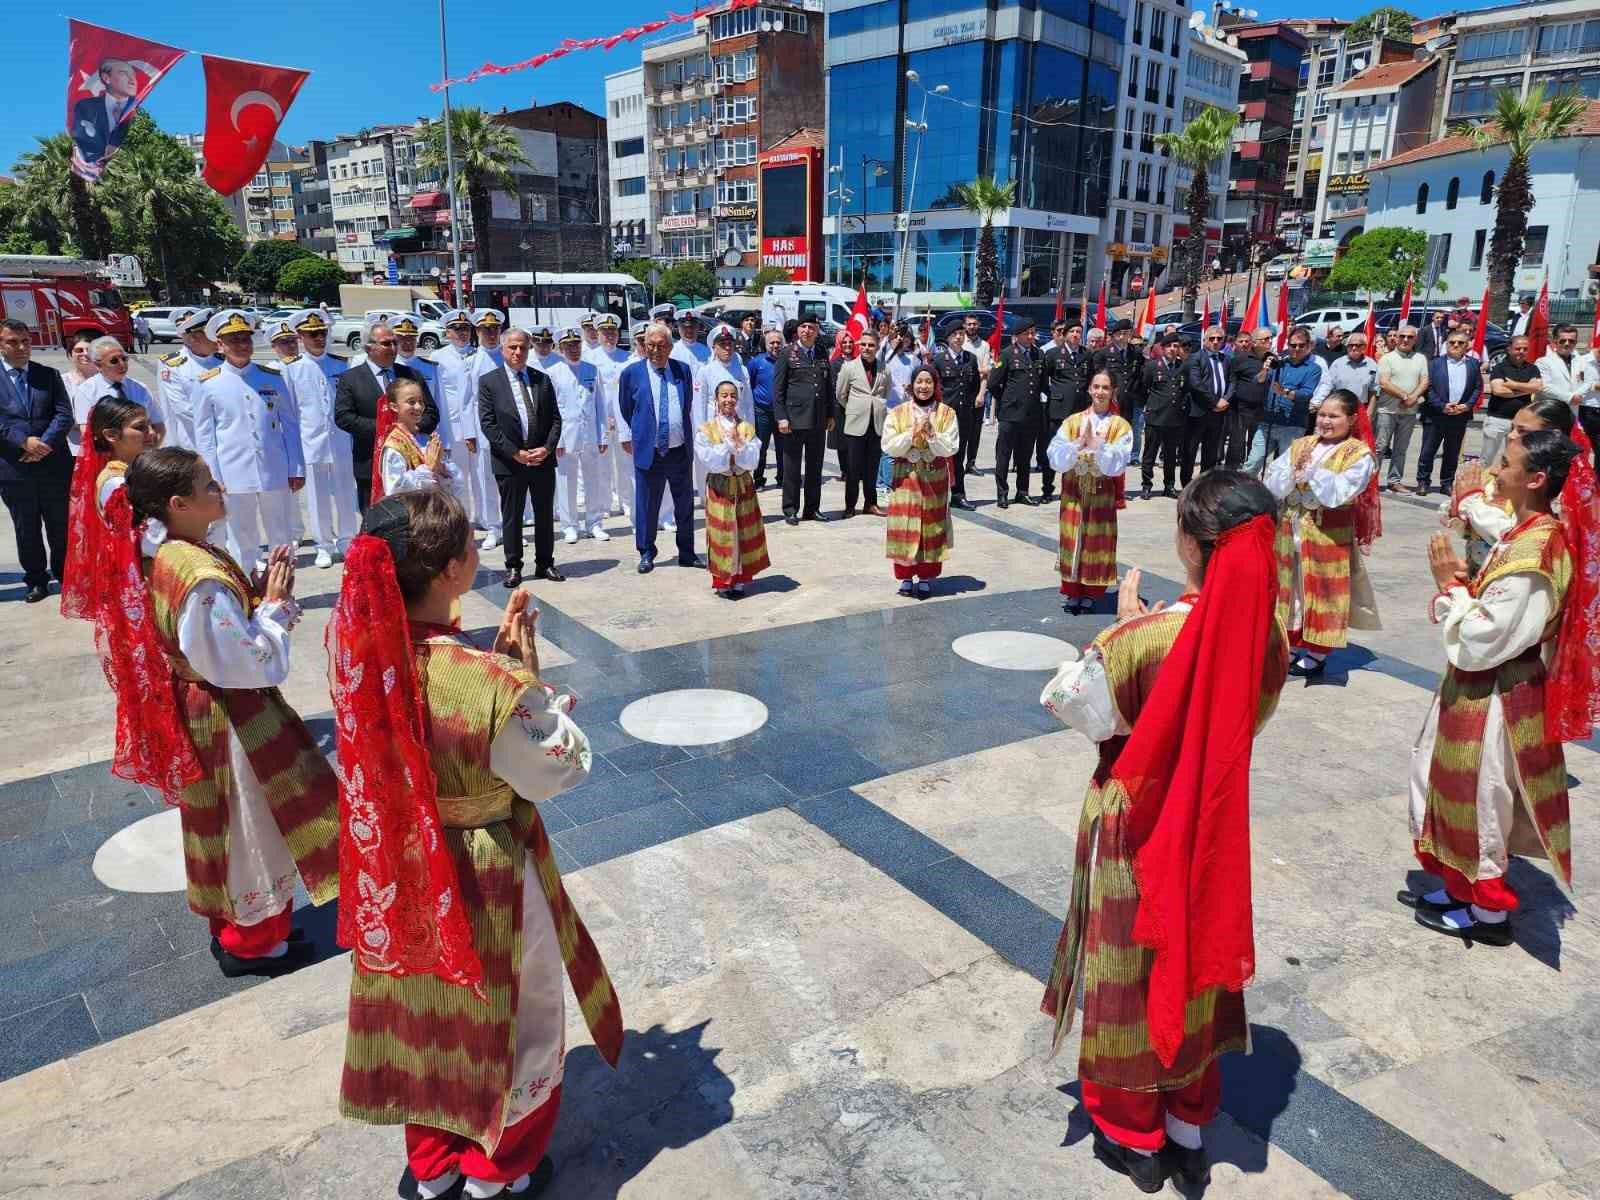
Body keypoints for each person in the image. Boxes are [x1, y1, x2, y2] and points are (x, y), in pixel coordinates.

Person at [328, 489, 622, 1200]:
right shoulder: (483, 682)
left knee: (425, 1009)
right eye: (472, 545)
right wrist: (530, 688)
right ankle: (499, 1172)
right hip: (485, 870)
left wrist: (508, 682)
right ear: (452, 570)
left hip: (402, 869)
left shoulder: (357, 656)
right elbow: (557, 767)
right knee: (515, 1011)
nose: (479, 554)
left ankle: (432, 1167)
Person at [1038, 470, 1288, 1195]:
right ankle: (1186, 1124)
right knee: (1195, 960)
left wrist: (1117, 628)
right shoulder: (1265, 637)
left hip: (1134, 820)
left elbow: (1073, 706)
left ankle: (1132, 1133)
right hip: (1208, 819)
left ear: (1193, 543)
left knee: (1127, 971)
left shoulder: (1145, 636)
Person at [118, 446, 339, 975]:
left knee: (225, 821)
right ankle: (255, 941)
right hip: (230, 716)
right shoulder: (200, 575)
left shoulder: (175, 549)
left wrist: (254, 598)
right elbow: (244, 662)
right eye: (208, 485)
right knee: (247, 825)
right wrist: (274, 610)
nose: (219, 490)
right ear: (178, 502)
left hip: (209, 707)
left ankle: (240, 929)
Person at [1405, 428, 1595, 945]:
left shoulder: (1536, 554)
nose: (1494, 471)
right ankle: (1459, 887)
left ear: (1535, 479)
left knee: (1480, 797)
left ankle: (1487, 915)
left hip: (1497, 694)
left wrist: (1450, 588)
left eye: (1505, 463)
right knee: (1442, 781)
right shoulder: (1527, 529)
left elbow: (1485, 638)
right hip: (1476, 687)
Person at [1264, 389, 1381, 676]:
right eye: (1322, 415)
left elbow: (1342, 492)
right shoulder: (1302, 443)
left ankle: (1317, 651)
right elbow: (1273, 478)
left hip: (1327, 534)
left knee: (1322, 590)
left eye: (1334, 416)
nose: (1325, 421)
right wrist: (1291, 474)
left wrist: (1314, 473)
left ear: (1352, 418)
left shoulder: (1358, 453)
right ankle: (1288, 642)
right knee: (1290, 588)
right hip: (1290, 528)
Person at [191, 310, 305, 571]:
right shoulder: (208, 383)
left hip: (273, 469)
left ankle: (283, 591)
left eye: (246, 338)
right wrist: (213, 475)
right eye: (234, 340)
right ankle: (246, 594)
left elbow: (290, 425)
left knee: (281, 535)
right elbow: (205, 436)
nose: (242, 345)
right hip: (232, 473)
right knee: (242, 538)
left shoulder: (271, 377)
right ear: (220, 344)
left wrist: (295, 467)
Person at [1448, 397, 1575, 580]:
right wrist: (1459, 512)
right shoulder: (1504, 469)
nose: (1511, 435)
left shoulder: (1560, 485)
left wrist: (1470, 501)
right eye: (1512, 428)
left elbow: (1519, 535)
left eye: (1522, 431)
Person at [478, 328, 563, 587]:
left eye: (522, 348)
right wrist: (515, 453)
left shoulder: (542, 379)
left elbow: (555, 420)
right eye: (512, 347)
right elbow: (488, 424)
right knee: (512, 515)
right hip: (510, 461)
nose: (518, 352)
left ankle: (545, 563)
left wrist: (546, 449)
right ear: (502, 350)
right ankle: (514, 566)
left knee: (544, 513)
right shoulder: (489, 382)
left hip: (541, 460)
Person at [0, 317, 75, 602]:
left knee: (60, 525)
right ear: (1, 345)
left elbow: (63, 414)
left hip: (53, 465)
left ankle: (65, 574)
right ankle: (36, 580)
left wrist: (43, 443)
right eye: (12, 342)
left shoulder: (48, 375)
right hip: (14, 468)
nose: (21, 347)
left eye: (26, 341)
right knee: (26, 527)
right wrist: (23, 441)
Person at [1048, 369, 1134, 613]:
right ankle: (1072, 590)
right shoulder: (1073, 421)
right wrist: (1077, 445)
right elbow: (1054, 455)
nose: (1100, 392)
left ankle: (1092, 592)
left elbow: (1119, 463)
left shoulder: (1121, 426)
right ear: (1089, 389)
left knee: (1097, 541)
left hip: (1101, 494)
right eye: (1096, 387)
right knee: (1072, 538)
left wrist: (1099, 446)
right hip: (1074, 492)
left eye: (1105, 388)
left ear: (1113, 391)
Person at [618, 324, 701, 573]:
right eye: (650, 345)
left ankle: (686, 552)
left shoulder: (682, 370)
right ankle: (646, 552)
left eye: (661, 345)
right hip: (650, 452)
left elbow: (686, 405)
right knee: (647, 505)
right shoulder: (631, 374)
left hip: (678, 450)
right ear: (643, 345)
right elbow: (627, 408)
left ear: (670, 347)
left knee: (684, 505)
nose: (655, 350)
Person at [284, 308, 361, 567]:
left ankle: (347, 539)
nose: (318, 338)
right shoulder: (292, 369)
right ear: (300, 337)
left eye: (321, 333)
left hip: (340, 440)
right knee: (317, 498)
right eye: (311, 334)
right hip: (311, 442)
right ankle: (323, 545)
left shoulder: (340, 364)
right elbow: (291, 415)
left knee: (345, 493)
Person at [335, 320, 439, 511]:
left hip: (412, 465)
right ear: (368, 347)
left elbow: (432, 412)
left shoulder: (411, 375)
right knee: (375, 521)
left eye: (394, 342)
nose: (392, 348)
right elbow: (343, 417)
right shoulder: (350, 379)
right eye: (386, 343)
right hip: (369, 463)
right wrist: (386, 430)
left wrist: (414, 429)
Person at [881, 364, 959, 598]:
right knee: (905, 525)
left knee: (930, 524)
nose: (923, 386)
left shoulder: (947, 413)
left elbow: (951, 446)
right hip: (906, 478)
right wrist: (911, 432)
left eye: (928, 382)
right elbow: (888, 444)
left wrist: (932, 434)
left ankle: (925, 576)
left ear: (935, 386)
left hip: (934, 479)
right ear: (911, 385)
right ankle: (905, 576)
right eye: (919, 382)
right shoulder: (897, 413)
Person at [695, 379, 770, 598]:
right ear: (716, 399)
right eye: (724, 395)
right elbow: (708, 460)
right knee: (723, 532)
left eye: (732, 396)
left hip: (743, 484)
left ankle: (740, 578)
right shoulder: (706, 429)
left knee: (744, 530)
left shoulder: (746, 427)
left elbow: (753, 461)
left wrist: (740, 449)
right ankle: (722, 579)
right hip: (721, 484)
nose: (729, 399)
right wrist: (726, 448)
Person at [433, 309, 496, 545]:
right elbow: (437, 396)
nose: (462, 334)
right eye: (456, 329)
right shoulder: (438, 358)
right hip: (450, 427)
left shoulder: (480, 354)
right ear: (447, 332)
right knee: (455, 480)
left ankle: (488, 520)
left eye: (465, 329)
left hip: (478, 427)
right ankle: (460, 523)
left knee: (483, 476)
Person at [546, 326, 610, 546]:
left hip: (590, 434)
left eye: (576, 345)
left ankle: (594, 523)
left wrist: (602, 436)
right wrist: (557, 440)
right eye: (568, 346)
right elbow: (552, 411)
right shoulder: (554, 372)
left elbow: (600, 405)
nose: (573, 349)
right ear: (560, 348)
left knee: (594, 480)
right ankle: (569, 526)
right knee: (566, 482)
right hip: (566, 437)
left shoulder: (592, 369)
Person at [772, 314, 833, 525]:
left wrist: (831, 414)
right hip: (794, 420)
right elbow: (778, 390)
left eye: (812, 328)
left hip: (817, 419)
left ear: (817, 331)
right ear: (798, 330)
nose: (808, 331)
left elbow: (828, 386)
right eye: (804, 327)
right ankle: (790, 509)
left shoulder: (822, 352)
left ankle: (812, 508)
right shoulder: (787, 354)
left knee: (815, 467)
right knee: (792, 467)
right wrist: (781, 417)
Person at [1416, 326, 1482, 497]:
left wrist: (1467, 405)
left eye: (1460, 342)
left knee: (1452, 452)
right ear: (1446, 344)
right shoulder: (1434, 364)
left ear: (1467, 345)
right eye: (1452, 342)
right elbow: (1428, 388)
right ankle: (1423, 481)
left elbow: (1477, 387)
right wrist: (1442, 405)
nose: (1456, 345)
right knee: (1428, 451)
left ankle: (1447, 483)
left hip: (1459, 415)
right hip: (1436, 414)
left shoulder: (1473, 364)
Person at [373, 377, 462, 502]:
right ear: (394, 407)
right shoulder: (395, 444)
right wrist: (429, 468)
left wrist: (440, 468)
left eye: (421, 401)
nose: (419, 407)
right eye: (411, 402)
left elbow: (451, 485)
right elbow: (394, 488)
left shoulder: (425, 437)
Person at [989, 318, 1045, 508]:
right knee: (1004, 455)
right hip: (1010, 414)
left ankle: (1023, 491)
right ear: (1017, 336)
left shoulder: (1039, 354)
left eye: (1032, 333)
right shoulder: (1006, 355)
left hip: (1031, 414)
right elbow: (993, 384)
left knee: (1025, 456)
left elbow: (1042, 383)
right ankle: (1002, 493)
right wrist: (1007, 401)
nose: (1030, 337)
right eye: (1026, 334)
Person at [834, 328, 889, 517]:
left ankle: (870, 503)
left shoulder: (884, 367)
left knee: (872, 468)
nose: (866, 348)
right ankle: (850, 506)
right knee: (853, 469)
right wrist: (856, 407)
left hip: (876, 424)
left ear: (877, 346)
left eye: (871, 345)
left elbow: (885, 392)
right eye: (863, 344)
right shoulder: (849, 367)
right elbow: (841, 394)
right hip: (856, 424)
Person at [587, 313, 634, 519]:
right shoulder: (589, 359)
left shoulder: (627, 358)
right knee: (602, 465)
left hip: (623, 421)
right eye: (605, 332)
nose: (609, 336)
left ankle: (627, 501)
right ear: (597, 334)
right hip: (600, 421)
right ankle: (604, 504)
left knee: (625, 464)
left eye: (612, 332)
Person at [157, 307, 219, 452]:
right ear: (194, 337)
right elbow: (182, 409)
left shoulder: (223, 360)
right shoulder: (173, 365)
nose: (217, 337)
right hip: (194, 442)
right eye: (210, 333)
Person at [1375, 324, 1428, 493]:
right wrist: (1406, 396)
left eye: (1410, 337)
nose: (1405, 339)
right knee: (1379, 447)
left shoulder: (1421, 358)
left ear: (1415, 339)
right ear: (1396, 338)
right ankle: (1371, 481)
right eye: (1402, 336)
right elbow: (1384, 383)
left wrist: (1413, 398)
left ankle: (1395, 481)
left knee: (1401, 449)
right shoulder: (1387, 358)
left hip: (1409, 412)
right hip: (1387, 411)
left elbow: (1424, 381)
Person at [934, 324, 982, 510]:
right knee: (942, 456)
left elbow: (975, 385)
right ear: (948, 338)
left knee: (959, 456)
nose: (959, 337)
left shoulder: (971, 359)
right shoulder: (939, 360)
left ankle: (958, 494)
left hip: (964, 415)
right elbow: (936, 389)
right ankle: (939, 492)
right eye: (955, 334)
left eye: (961, 334)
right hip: (945, 416)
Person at [85, 334, 165, 444]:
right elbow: (86, 432)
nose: (122, 364)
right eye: (114, 361)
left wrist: (151, 450)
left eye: (124, 358)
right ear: (98, 365)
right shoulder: (87, 391)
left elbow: (159, 424)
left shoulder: (140, 388)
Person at [1483, 334, 1543, 469]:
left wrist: (1513, 385)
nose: (1521, 352)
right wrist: (1526, 389)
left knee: (1514, 459)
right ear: (1509, 349)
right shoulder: (1499, 368)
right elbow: (1498, 390)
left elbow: (1538, 387)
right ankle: (1481, 487)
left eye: (1525, 349)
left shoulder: (1533, 369)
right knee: (1487, 459)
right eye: (1518, 348)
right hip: (1497, 420)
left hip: (1520, 422)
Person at [1181, 325, 1231, 483]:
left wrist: (1226, 400)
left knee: (1211, 453)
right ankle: (1187, 485)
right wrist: (1215, 401)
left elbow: (1233, 382)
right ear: (1205, 340)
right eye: (1212, 338)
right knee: (1190, 451)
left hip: (1218, 414)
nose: (1216, 342)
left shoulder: (1226, 359)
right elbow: (1196, 384)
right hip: (1198, 412)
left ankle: (1205, 485)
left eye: (1219, 339)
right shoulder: (1195, 358)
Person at [1139, 335, 1187, 499]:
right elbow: (1144, 388)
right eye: (1169, 346)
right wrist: (1150, 408)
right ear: (1163, 348)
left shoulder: (1182, 366)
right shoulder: (1153, 366)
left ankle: (1169, 485)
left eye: (1176, 346)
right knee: (1150, 453)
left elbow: (1185, 389)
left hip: (1174, 418)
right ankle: (1146, 485)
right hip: (1156, 417)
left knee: (1170, 455)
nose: (1173, 349)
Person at [71, 58, 139, 171]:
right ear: (106, 78)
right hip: (98, 173)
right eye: (123, 73)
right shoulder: (86, 107)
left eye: (133, 75)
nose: (132, 80)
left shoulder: (136, 110)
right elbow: (83, 142)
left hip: (128, 171)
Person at [1310, 330, 1379, 427]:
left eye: (1358, 345)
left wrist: (1370, 411)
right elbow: (1328, 388)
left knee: (1359, 441)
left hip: (1361, 410)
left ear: (1364, 347)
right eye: (1350, 345)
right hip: (1339, 409)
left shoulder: (1372, 364)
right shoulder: (1337, 364)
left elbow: (1373, 391)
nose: (1354, 348)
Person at [1225, 328, 1271, 472]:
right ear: (1255, 342)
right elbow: (1231, 381)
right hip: (1241, 408)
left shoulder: (1272, 359)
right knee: (1236, 442)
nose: (1269, 342)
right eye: (1265, 339)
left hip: (1262, 409)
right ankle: (1231, 471)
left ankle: (1250, 473)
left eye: (1270, 338)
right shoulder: (1240, 359)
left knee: (1256, 443)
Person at [747, 326, 783, 490]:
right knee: (760, 448)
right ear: (766, 344)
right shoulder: (756, 362)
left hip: (782, 413)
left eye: (778, 342)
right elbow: (750, 384)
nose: (775, 345)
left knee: (783, 449)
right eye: (772, 343)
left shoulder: (786, 360)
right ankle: (759, 479)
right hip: (762, 412)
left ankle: (782, 479)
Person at [1538, 324, 1597, 418]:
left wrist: (1578, 396)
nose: (1567, 343)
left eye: (1571, 341)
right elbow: (1545, 387)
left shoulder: (1581, 361)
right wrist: (1570, 398)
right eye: (1563, 341)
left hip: (1573, 411)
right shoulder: (1543, 362)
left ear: (1576, 342)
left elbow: (1589, 382)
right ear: (1555, 341)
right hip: (1551, 411)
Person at [966, 314, 994, 432]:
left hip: (977, 391)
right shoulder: (960, 343)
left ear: (979, 325)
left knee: (974, 434)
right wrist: (980, 369)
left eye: (974, 324)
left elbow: (986, 372)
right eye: (969, 324)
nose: (972, 326)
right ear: (965, 325)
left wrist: (981, 395)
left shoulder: (985, 345)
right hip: (962, 391)